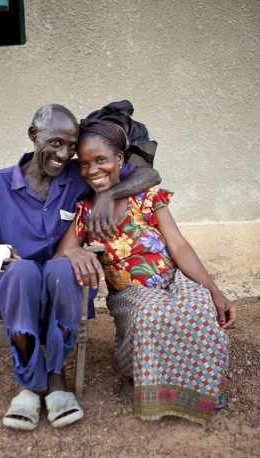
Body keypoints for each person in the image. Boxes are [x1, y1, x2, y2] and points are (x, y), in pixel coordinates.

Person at [0, 103, 161, 430]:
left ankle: (56, 378)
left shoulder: (76, 176)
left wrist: (107, 194)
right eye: (56, 142)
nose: (64, 153)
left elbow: (149, 174)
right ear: (34, 135)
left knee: (61, 269)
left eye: (71, 146)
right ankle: (31, 383)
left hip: (65, 289)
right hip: (17, 294)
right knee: (22, 271)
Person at [54, 106, 237, 425]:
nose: (92, 170)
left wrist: (214, 291)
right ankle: (153, 381)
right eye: (84, 164)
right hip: (131, 296)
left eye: (101, 160)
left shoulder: (147, 197)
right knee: (153, 318)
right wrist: (75, 253)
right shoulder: (85, 211)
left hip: (172, 281)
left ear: (120, 160)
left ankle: (203, 388)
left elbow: (179, 246)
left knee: (199, 308)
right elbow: (61, 254)